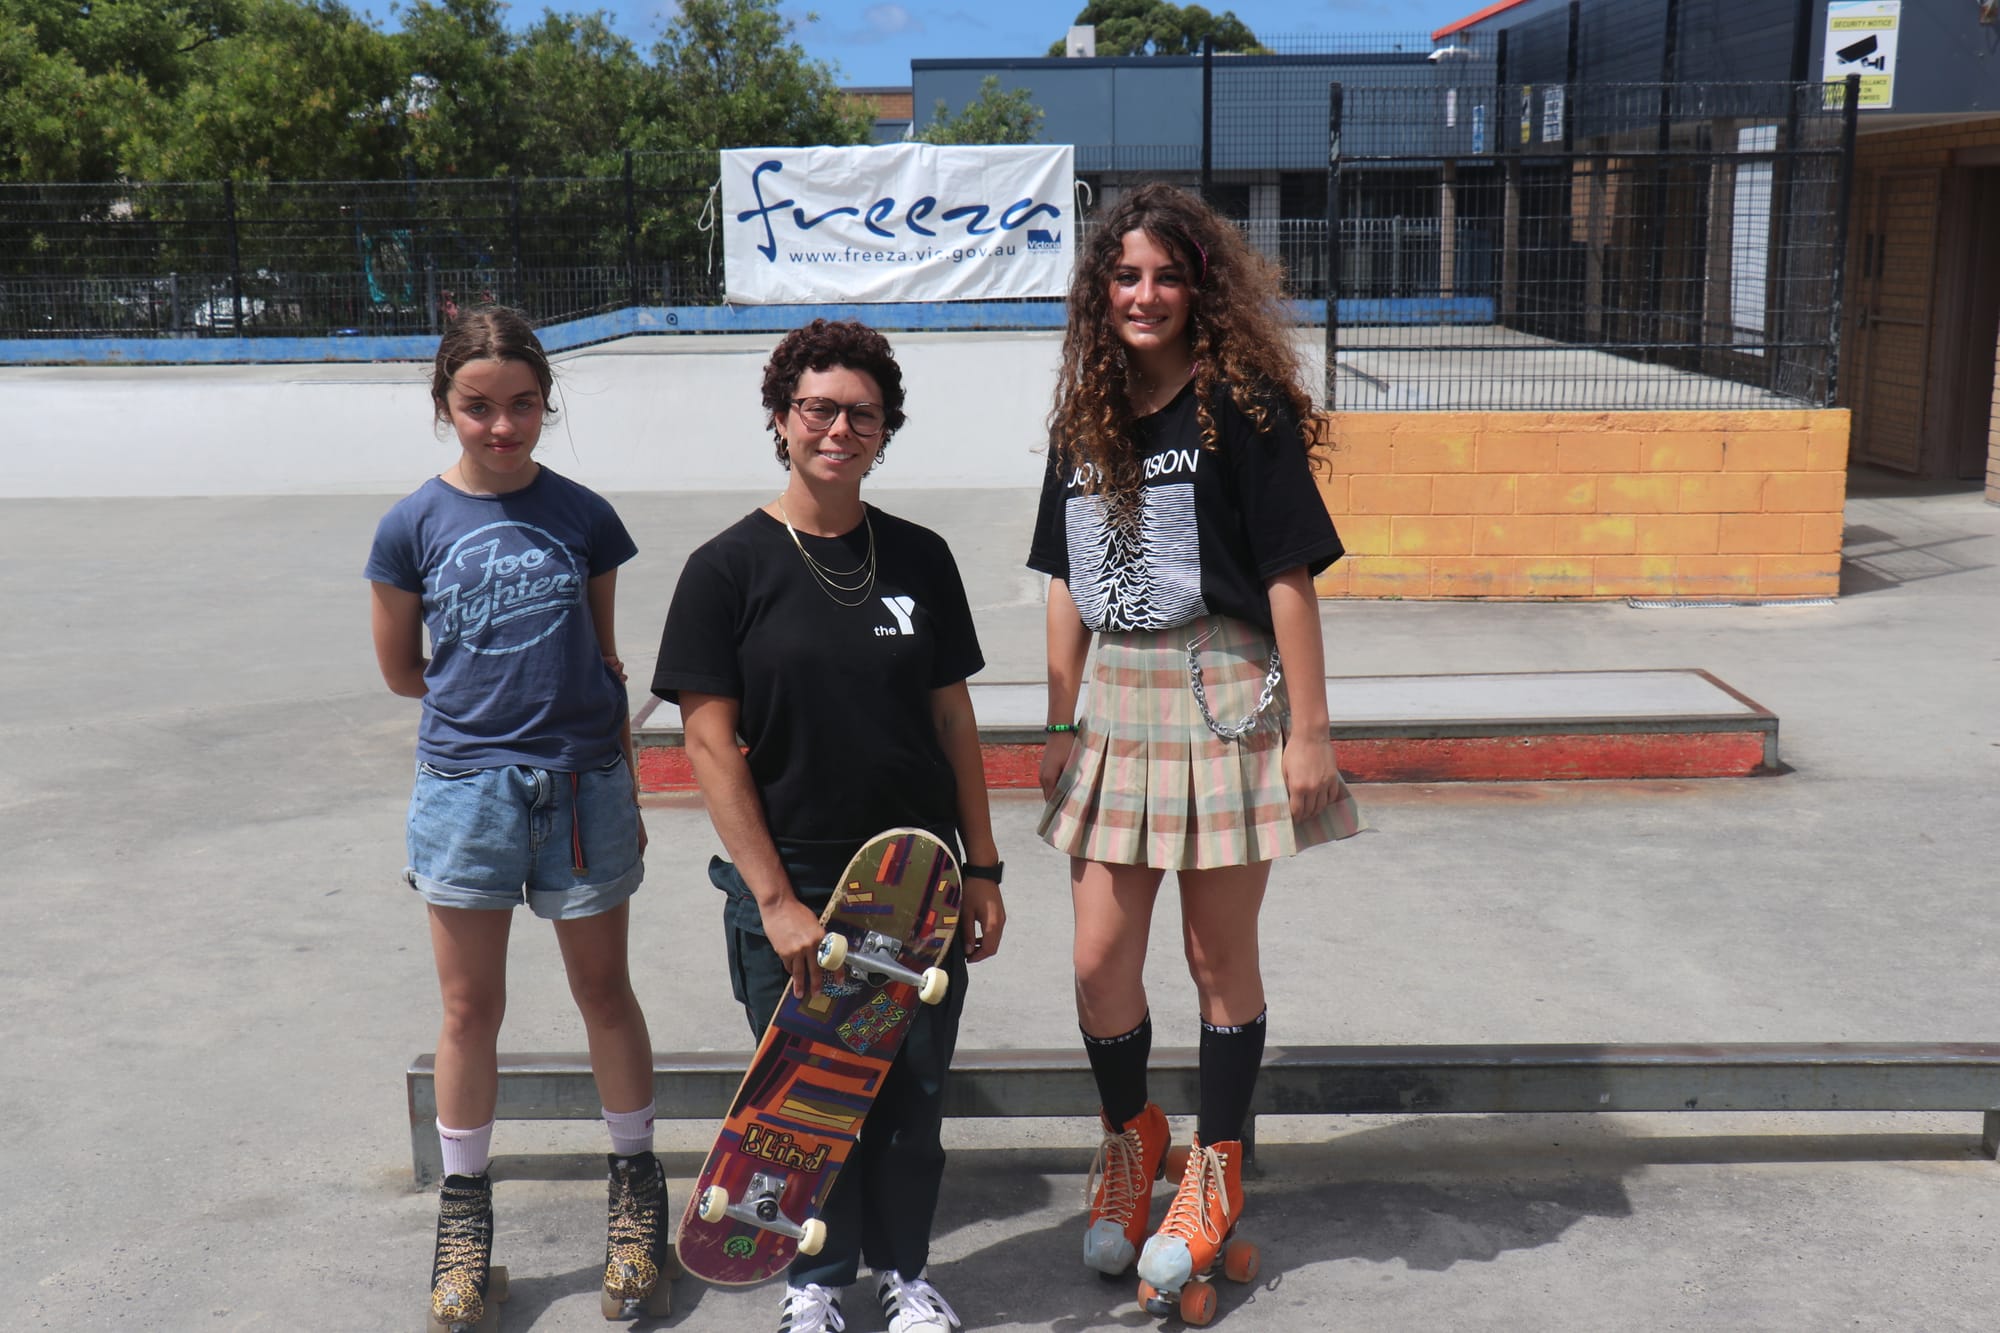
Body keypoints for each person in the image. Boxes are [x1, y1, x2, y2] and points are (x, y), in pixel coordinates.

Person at [1027, 183, 1366, 1310]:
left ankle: (1211, 1170)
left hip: (1223, 688)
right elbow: (1066, 584)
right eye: (1125, 276)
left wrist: (1309, 731)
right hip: (1115, 703)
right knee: (1095, 960)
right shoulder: (1085, 412)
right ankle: (1132, 1141)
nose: (1145, 294)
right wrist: (1058, 715)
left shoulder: (1241, 404)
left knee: (1218, 959)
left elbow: (1286, 574)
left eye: (1166, 276)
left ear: (1197, 287)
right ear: (1100, 290)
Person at [652, 318, 1006, 1333]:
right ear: (780, 418)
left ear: (883, 427)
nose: (837, 428)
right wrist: (774, 900)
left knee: (909, 1104)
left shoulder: (920, 558)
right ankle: (814, 1285)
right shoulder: (727, 570)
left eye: (860, 412)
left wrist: (980, 868)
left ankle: (905, 1277)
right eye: (817, 408)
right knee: (804, 1109)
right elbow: (710, 746)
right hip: (798, 885)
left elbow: (951, 718)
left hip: (916, 885)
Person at [365, 307, 672, 1330]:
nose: (502, 426)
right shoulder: (411, 524)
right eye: (478, 407)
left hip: (581, 782)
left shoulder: (584, 514)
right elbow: (404, 669)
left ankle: (634, 1196)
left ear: (547, 401)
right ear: (446, 406)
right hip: (467, 789)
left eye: (523, 404)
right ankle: (463, 1221)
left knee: (602, 992)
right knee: (467, 1010)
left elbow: (600, 650)